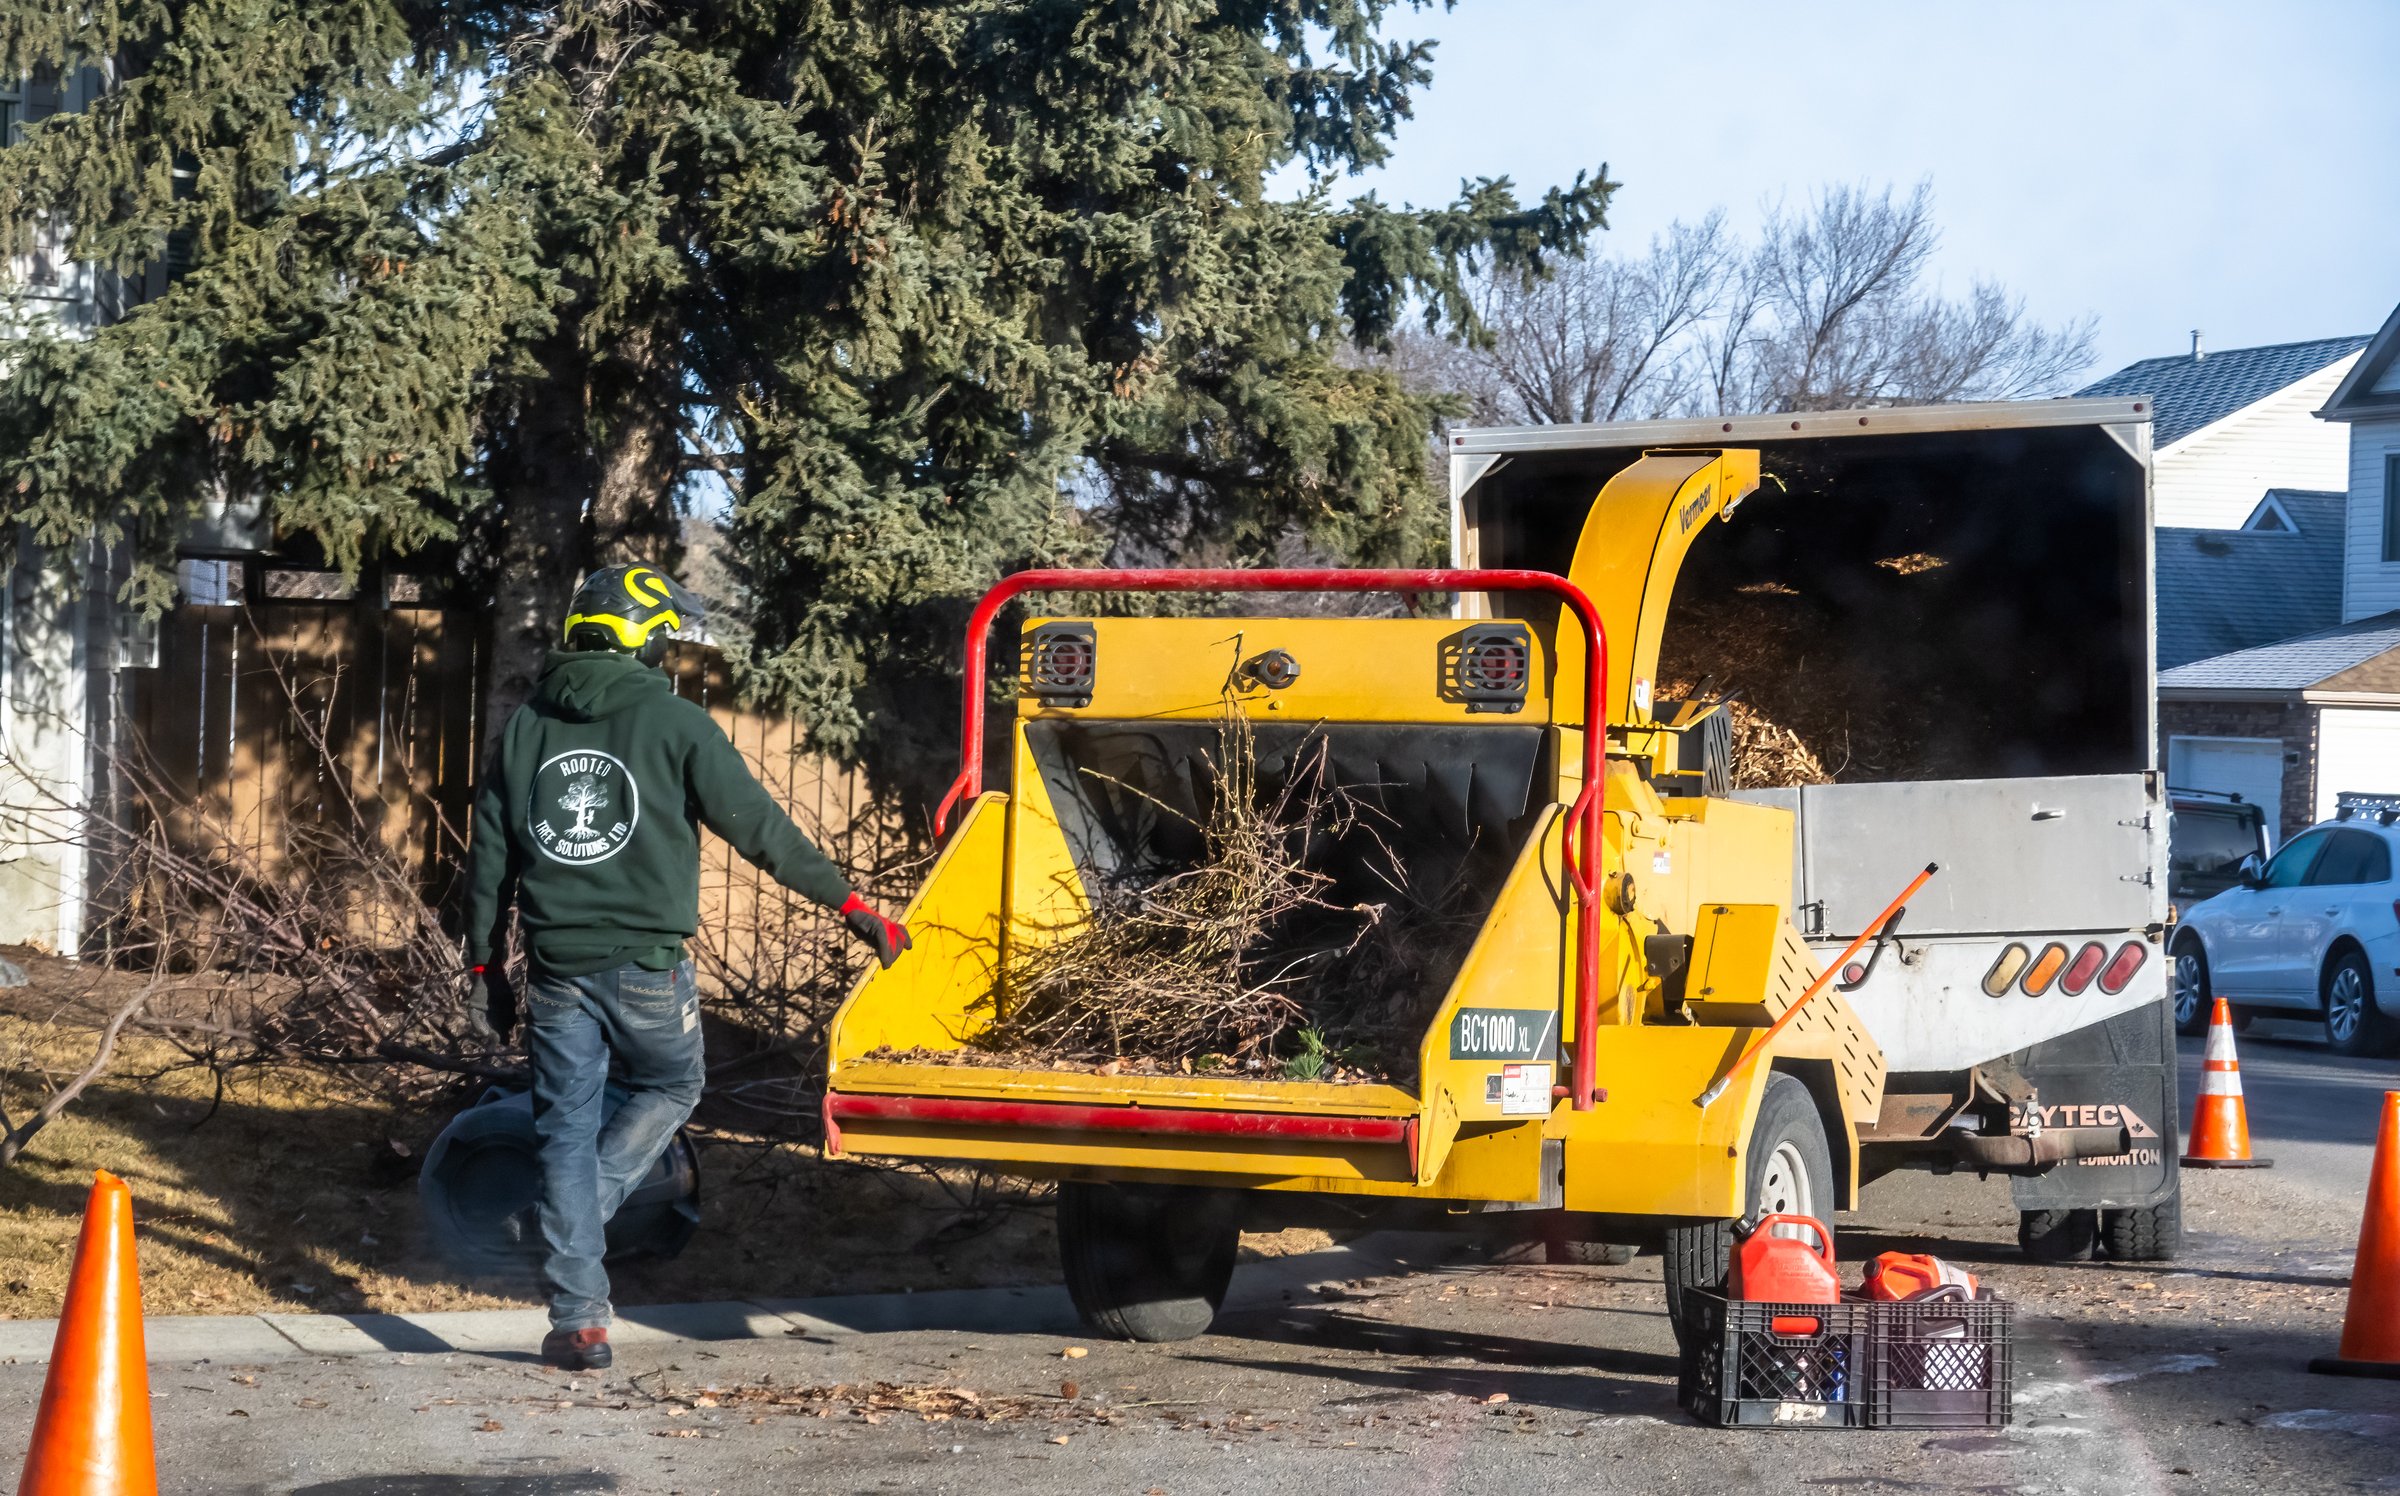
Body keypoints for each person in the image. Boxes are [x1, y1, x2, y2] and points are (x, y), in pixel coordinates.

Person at [463, 563, 909, 1371]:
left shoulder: (526, 727)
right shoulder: (674, 722)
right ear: (639, 634)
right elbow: (761, 829)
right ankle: (579, 1221)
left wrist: (486, 968)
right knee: (671, 1085)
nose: (668, 650)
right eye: (663, 635)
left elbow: (488, 857)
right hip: (645, 965)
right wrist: (854, 908)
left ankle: (579, 1316)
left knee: (563, 1129)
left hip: (556, 967)